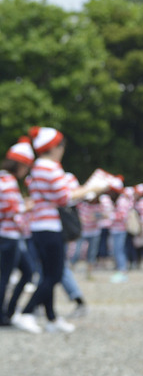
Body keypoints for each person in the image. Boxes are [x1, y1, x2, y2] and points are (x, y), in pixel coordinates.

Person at [14, 127, 104, 335]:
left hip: (39, 226)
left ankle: (51, 318)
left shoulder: (38, 167)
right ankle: (26, 313)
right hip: (49, 226)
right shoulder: (50, 167)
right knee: (54, 275)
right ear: (54, 147)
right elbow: (64, 198)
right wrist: (93, 188)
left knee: (48, 274)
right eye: (61, 146)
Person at [0, 139, 34, 327]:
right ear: (20, 164)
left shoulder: (4, 179)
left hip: (9, 236)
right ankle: (3, 315)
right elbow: (10, 209)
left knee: (26, 271)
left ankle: (9, 311)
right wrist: (26, 206)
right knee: (5, 277)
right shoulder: (7, 181)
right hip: (8, 236)